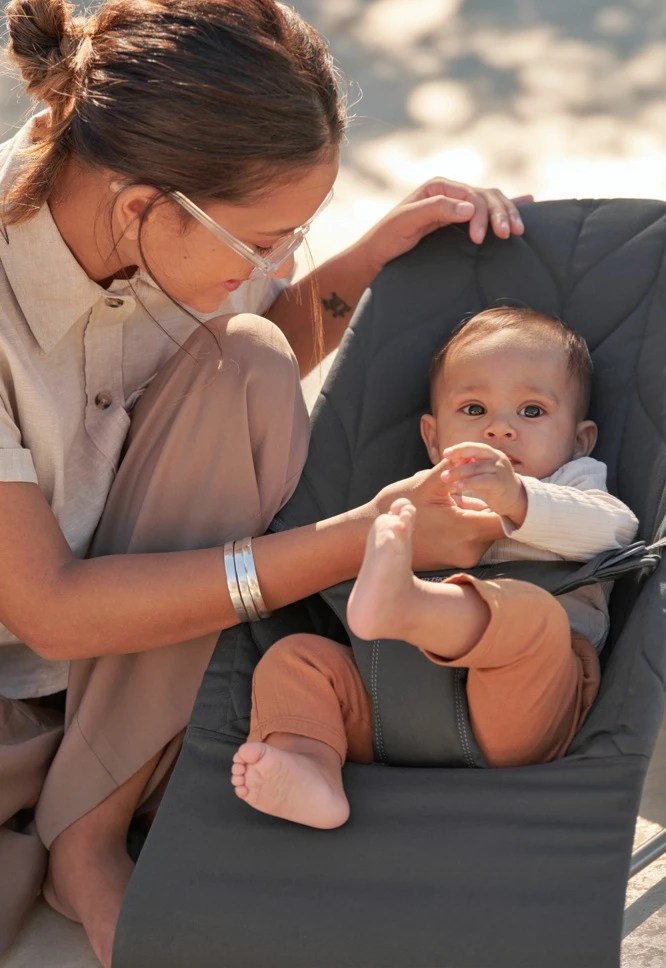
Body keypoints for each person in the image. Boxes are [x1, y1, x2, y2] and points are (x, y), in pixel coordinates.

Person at [0, 0, 528, 965]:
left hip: (115, 655)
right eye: (267, 240)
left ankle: (93, 817)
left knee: (244, 355)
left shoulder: (161, 227)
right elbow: (52, 612)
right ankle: (95, 797)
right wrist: (355, 539)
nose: (278, 261)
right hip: (36, 650)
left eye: (301, 235)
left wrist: (368, 259)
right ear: (144, 205)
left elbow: (237, 360)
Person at [231, 306, 639, 830]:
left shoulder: (574, 481)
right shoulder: (420, 497)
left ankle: (406, 604)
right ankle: (309, 764)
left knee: (532, 616)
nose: (500, 430)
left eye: (532, 412)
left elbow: (617, 530)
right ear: (432, 437)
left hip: (525, 707)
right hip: (391, 701)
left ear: (579, 439)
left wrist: (518, 500)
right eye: (473, 409)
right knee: (296, 659)